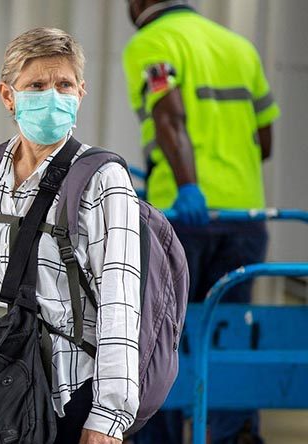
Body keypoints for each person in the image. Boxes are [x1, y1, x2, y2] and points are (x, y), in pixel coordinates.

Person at [0, 27, 141, 444]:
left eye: (63, 84)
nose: (52, 96)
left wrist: (108, 416)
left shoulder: (102, 181)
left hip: (66, 390)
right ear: (8, 96)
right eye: (37, 85)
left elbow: (120, 301)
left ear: (81, 92)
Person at [123, 1, 280, 443]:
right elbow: (264, 139)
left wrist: (189, 185)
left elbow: (169, 117)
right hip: (244, 216)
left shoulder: (152, 41)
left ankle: (160, 435)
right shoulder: (239, 47)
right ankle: (234, 434)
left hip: (182, 217)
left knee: (161, 334)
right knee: (230, 332)